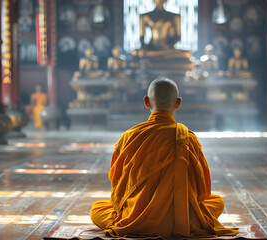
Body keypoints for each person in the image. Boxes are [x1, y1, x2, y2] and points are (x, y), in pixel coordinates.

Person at [90, 78, 238, 238]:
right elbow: (203, 190)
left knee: (97, 209)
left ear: (146, 102)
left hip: (136, 219)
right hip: (183, 218)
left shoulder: (129, 137)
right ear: (178, 103)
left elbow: (117, 181)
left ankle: (136, 222)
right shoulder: (187, 138)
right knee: (217, 202)